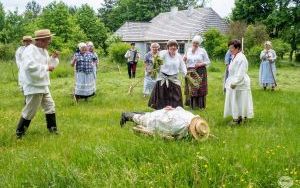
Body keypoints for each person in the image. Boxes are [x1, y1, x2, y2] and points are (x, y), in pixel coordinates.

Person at [16, 29, 59, 138]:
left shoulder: (43, 50)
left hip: (43, 85)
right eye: (48, 40)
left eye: (49, 39)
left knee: (50, 106)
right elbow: (29, 67)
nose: (49, 42)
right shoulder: (29, 50)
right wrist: (46, 67)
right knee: (30, 110)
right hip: (33, 85)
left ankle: (52, 129)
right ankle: (20, 133)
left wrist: (53, 59)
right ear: (40, 40)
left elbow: (48, 65)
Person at [120, 106, 210, 140]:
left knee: (149, 114)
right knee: (143, 119)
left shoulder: (192, 116)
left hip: (166, 113)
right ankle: (126, 115)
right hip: (160, 119)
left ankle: (132, 113)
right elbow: (165, 129)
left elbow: (179, 108)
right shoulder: (180, 127)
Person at [148, 39, 187, 110]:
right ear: (168, 47)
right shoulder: (163, 53)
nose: (173, 47)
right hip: (163, 78)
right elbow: (157, 62)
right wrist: (155, 66)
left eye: (175, 46)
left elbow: (182, 66)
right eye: (171, 46)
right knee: (162, 98)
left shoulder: (178, 56)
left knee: (176, 97)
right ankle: (162, 111)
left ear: (177, 47)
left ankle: (175, 111)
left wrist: (185, 74)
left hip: (173, 79)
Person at [224, 39, 254, 125]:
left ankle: (239, 118)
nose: (230, 49)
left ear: (237, 48)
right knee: (236, 101)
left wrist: (235, 82)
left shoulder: (241, 57)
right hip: (235, 81)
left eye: (232, 48)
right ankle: (237, 117)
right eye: (229, 47)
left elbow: (241, 72)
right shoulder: (234, 56)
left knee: (241, 101)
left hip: (240, 83)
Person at [183, 35, 210, 109]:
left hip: (200, 71)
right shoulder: (188, 50)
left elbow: (208, 61)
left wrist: (200, 64)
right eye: (194, 43)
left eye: (197, 43)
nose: (195, 44)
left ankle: (200, 105)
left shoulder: (202, 50)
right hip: (190, 71)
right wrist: (184, 59)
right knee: (191, 88)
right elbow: (184, 61)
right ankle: (192, 105)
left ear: (199, 44)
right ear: (192, 42)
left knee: (200, 88)